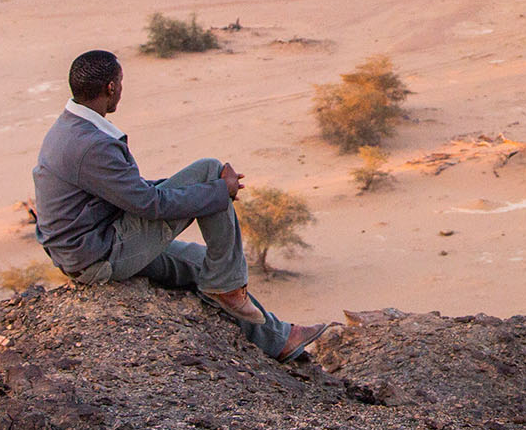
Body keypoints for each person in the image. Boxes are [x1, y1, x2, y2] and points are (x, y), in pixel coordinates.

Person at [32, 49, 333, 361]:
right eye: (120, 82)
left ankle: (278, 338)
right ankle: (228, 286)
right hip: (98, 256)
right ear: (110, 87)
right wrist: (217, 191)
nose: (121, 88)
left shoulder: (70, 128)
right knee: (209, 170)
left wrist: (206, 190)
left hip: (92, 246)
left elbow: (128, 192)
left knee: (201, 262)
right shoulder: (92, 145)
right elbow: (149, 205)